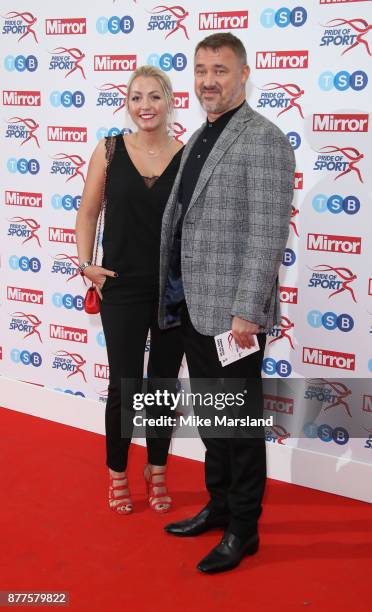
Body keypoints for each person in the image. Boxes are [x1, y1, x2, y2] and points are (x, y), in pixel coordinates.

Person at [158, 33, 295, 572]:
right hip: (194, 304)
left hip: (234, 315)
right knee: (215, 422)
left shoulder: (263, 139)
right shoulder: (199, 136)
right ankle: (217, 507)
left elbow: (267, 233)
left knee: (238, 427)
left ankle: (244, 528)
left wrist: (246, 311)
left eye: (220, 69)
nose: (208, 80)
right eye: (200, 69)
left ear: (243, 74)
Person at [75, 65, 184, 515]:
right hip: (120, 287)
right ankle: (117, 473)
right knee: (125, 386)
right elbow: (87, 212)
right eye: (137, 97)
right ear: (127, 102)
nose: (145, 106)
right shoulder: (109, 149)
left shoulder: (188, 153)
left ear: (169, 100)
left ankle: (156, 469)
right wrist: (86, 264)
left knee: (162, 384)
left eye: (154, 97)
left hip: (174, 290)